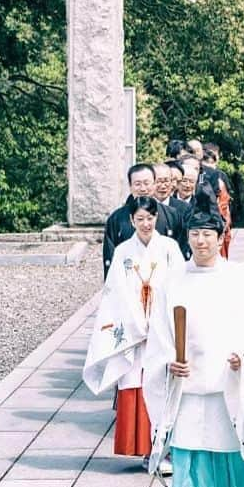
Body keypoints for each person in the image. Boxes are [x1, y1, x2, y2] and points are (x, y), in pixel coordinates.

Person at [143, 192, 244, 487]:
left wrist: (243, 359)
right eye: (195, 234)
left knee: (230, 448)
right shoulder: (173, 280)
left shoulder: (238, 279)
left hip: (225, 378)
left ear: (221, 237)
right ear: (187, 237)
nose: (201, 241)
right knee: (190, 450)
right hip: (187, 381)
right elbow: (159, 332)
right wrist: (169, 360)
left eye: (208, 234)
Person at [83, 196, 185, 468]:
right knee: (137, 384)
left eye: (150, 218)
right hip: (134, 330)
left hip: (163, 330)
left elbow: (178, 286)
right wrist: (138, 323)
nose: (145, 224)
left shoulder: (169, 248)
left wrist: (160, 322)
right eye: (139, 219)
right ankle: (144, 448)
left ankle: (166, 448)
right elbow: (116, 292)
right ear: (131, 221)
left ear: (157, 219)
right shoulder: (123, 252)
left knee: (165, 385)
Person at [102, 162, 168, 278]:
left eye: (147, 183)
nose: (143, 188)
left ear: (154, 183)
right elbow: (111, 257)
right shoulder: (116, 218)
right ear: (130, 186)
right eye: (137, 184)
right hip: (129, 281)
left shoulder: (172, 215)